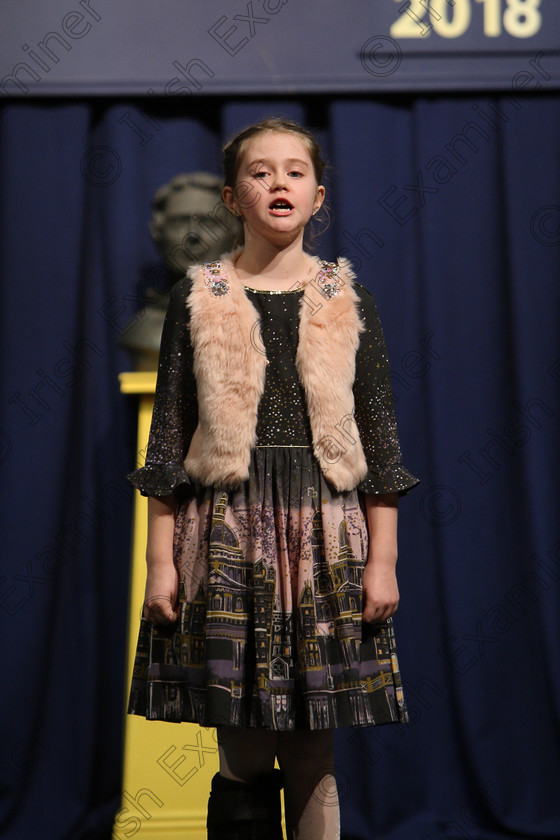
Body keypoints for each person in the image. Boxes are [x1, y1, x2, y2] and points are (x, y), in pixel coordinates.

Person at [126, 117, 420, 840]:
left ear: (318, 196)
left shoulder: (344, 297)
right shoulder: (201, 297)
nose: (279, 183)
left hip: (324, 535)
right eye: (261, 173)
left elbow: (380, 443)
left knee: (315, 742)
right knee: (245, 740)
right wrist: (159, 564)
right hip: (227, 534)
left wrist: (381, 562)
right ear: (232, 196)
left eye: (295, 172)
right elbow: (168, 438)